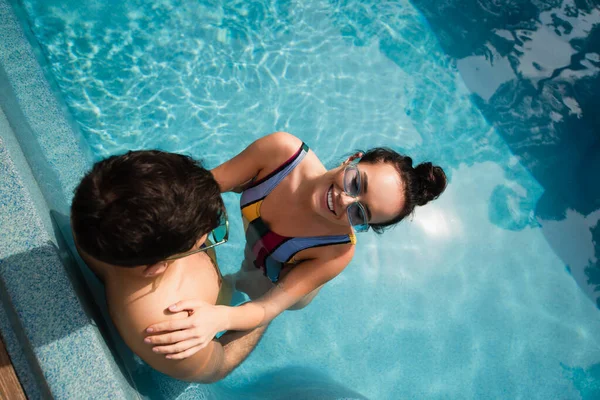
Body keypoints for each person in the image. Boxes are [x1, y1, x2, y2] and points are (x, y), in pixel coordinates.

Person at [144, 132, 447, 358]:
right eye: (356, 183)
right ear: (351, 160)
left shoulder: (336, 252)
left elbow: (267, 306)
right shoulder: (281, 154)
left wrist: (217, 318)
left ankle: (237, 285)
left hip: (284, 270)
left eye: (360, 213)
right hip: (263, 238)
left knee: (250, 284)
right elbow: (204, 187)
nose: (344, 200)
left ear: (363, 227)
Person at [70, 150, 266, 383]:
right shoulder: (171, 330)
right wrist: (266, 303)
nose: (211, 229)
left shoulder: (97, 205)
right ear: (156, 268)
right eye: (204, 236)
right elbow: (219, 363)